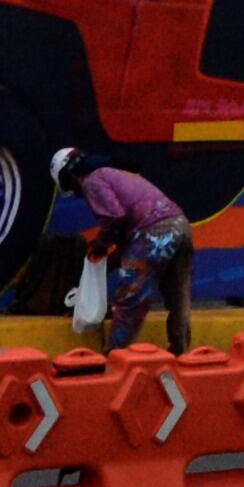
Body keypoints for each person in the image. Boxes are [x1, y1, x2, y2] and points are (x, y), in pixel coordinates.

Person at [51, 147, 193, 354]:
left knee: (129, 299)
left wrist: (100, 244)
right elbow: (131, 241)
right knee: (178, 296)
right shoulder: (116, 174)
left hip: (155, 231)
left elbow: (114, 218)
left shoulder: (92, 180)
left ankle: (114, 357)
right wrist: (108, 262)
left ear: (69, 177)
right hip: (180, 226)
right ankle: (180, 353)